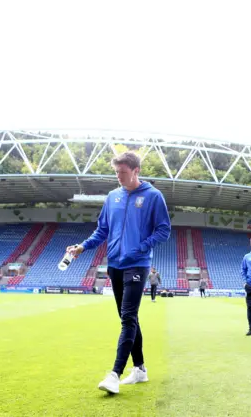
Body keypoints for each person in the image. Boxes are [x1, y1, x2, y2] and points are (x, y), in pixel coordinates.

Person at [66, 151, 171, 394]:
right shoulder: (112, 197)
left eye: (123, 172)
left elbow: (163, 230)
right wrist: (82, 247)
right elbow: (102, 230)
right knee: (129, 318)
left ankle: (114, 374)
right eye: (116, 172)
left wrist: (141, 247)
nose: (119, 177)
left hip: (138, 264)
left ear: (136, 171)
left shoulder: (153, 196)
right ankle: (140, 369)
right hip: (114, 264)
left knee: (127, 317)